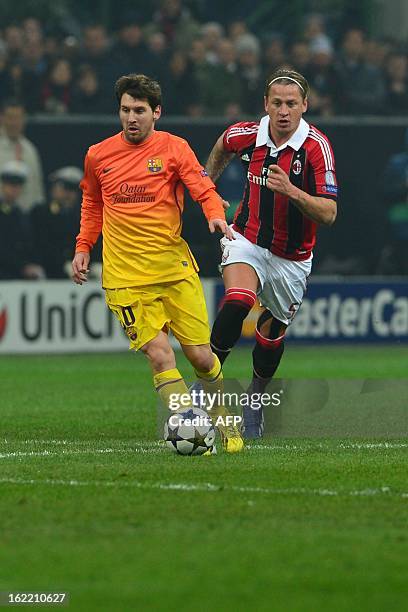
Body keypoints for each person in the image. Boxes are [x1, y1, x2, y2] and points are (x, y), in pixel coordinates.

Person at [72, 73, 243, 453]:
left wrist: (214, 213)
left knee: (201, 356)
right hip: (126, 278)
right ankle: (192, 433)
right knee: (160, 354)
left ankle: (223, 419)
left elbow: (203, 187)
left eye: (139, 111)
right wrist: (84, 245)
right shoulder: (98, 155)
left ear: (156, 113)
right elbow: (92, 204)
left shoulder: (175, 148)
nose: (131, 118)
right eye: (125, 110)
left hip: (173, 270)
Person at [205, 68, 338, 438]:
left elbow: (329, 214)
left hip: (292, 258)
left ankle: (254, 400)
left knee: (271, 334)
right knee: (238, 300)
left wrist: (292, 191)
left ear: (304, 106)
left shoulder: (315, 148)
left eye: (291, 104)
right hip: (246, 238)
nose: (283, 111)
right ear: (265, 104)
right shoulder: (248, 134)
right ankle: (206, 387)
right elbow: (222, 145)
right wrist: (207, 188)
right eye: (276, 103)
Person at [0, 99, 45, 211]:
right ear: (2, 118)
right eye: (10, 117)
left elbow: (37, 189)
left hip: (26, 219)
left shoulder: (30, 150)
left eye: (18, 118)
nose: (14, 123)